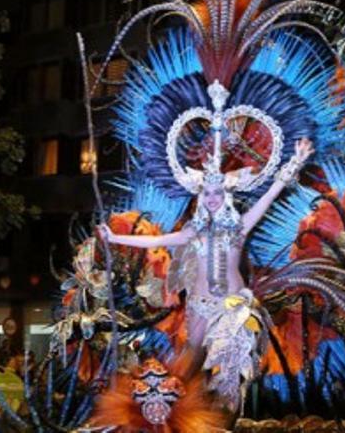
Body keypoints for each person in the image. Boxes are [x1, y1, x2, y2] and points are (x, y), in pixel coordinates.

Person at [99, 130, 314, 411]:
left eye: (217, 192)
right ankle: (177, 418)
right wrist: (114, 238)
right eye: (207, 193)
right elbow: (156, 240)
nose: (212, 198)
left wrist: (295, 162)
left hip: (231, 306)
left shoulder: (239, 226)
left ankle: (226, 419)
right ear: (202, 197)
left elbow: (269, 197)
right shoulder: (193, 231)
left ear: (225, 195)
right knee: (189, 364)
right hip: (198, 306)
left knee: (229, 371)